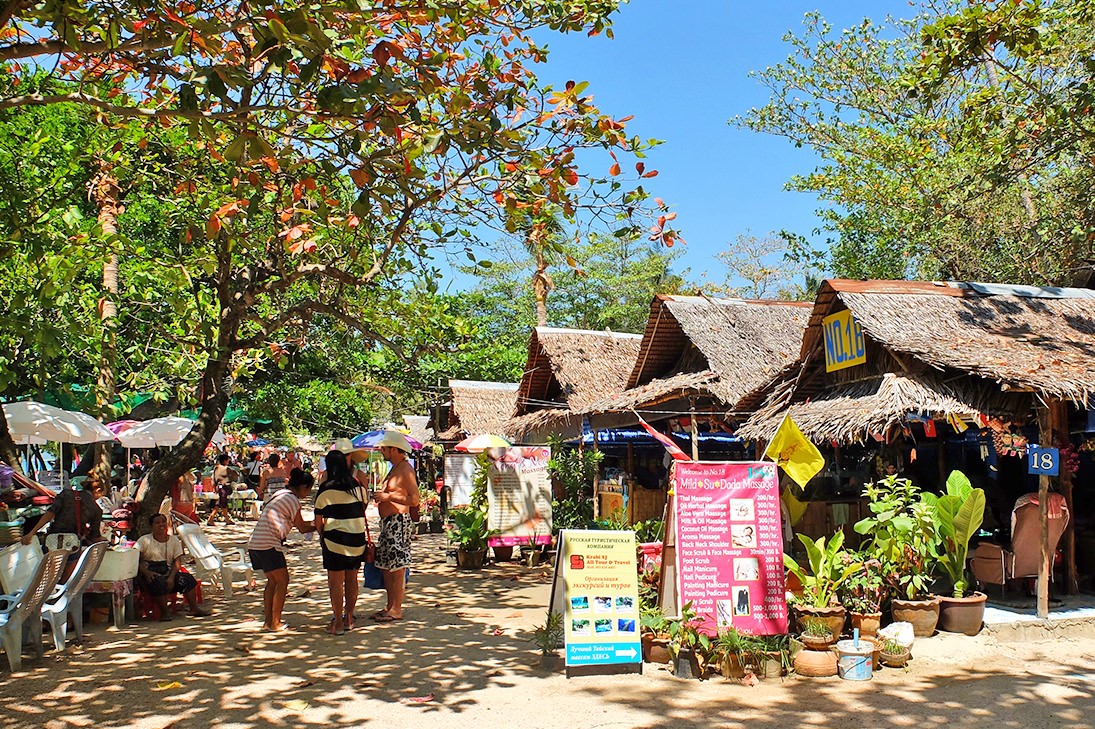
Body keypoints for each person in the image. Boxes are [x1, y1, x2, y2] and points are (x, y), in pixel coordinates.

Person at [247, 468, 317, 631]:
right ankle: (276, 622)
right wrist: (320, 525)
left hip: (257, 542)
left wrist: (314, 524)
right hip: (269, 543)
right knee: (282, 581)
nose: (307, 493)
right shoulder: (292, 500)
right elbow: (302, 527)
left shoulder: (279, 494)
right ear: (303, 486)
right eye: (308, 489)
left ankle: (269, 621)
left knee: (272, 582)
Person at [314, 450, 367, 635]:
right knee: (352, 579)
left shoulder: (325, 489)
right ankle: (349, 617)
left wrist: (323, 536)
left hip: (334, 540)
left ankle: (337, 621)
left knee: (335, 582)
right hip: (357, 540)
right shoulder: (358, 487)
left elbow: (318, 521)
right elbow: (363, 508)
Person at [370, 430, 421, 623]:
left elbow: (414, 499)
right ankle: (390, 605)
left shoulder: (406, 469)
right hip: (388, 523)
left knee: (397, 566)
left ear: (395, 449)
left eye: (384, 448)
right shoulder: (394, 468)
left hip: (398, 522)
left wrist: (388, 496)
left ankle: (397, 608)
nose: (382, 451)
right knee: (386, 565)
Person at [22, 473, 106, 580]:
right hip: (73, 544)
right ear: (98, 490)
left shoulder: (66, 494)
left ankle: (47, 595)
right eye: (100, 495)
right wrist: (103, 539)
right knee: (66, 583)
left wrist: (31, 533)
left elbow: (49, 514)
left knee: (47, 580)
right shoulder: (96, 509)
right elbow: (94, 536)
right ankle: (61, 594)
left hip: (53, 541)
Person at [136, 513, 211, 619]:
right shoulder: (143, 540)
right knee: (157, 582)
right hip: (150, 572)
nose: (161, 525)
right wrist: (147, 573)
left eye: (163, 522)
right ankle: (165, 612)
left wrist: (171, 578)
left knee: (187, 579)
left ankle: (194, 608)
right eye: (157, 523)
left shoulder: (174, 540)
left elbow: (177, 561)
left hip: (168, 571)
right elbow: (135, 560)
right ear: (151, 526)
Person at [207, 453, 236, 526]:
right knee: (222, 503)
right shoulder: (227, 468)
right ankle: (212, 518)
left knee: (221, 503)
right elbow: (235, 476)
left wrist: (214, 487)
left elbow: (213, 478)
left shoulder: (216, 468)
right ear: (225, 461)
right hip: (224, 487)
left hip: (219, 487)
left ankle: (225, 519)